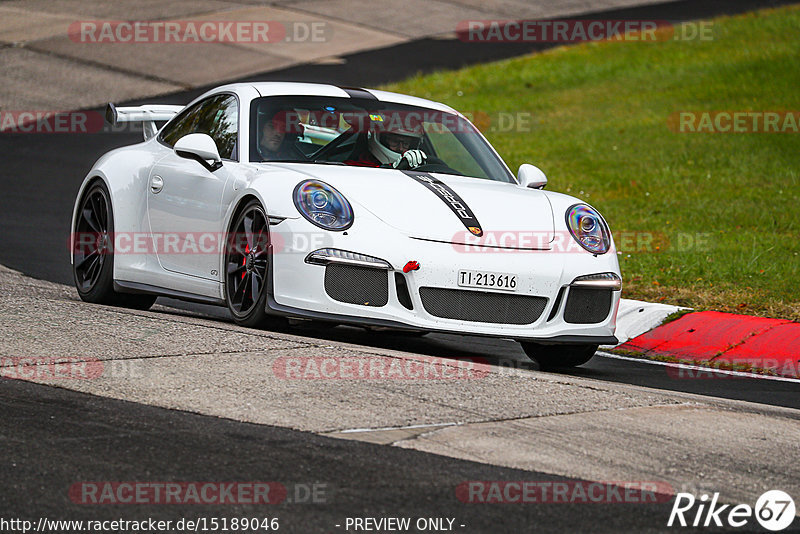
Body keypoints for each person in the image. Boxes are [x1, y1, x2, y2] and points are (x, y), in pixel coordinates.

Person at [344, 117, 428, 169]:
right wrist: (391, 169)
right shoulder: (354, 167)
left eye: (406, 144)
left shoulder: (420, 167)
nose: (401, 148)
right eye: (395, 142)